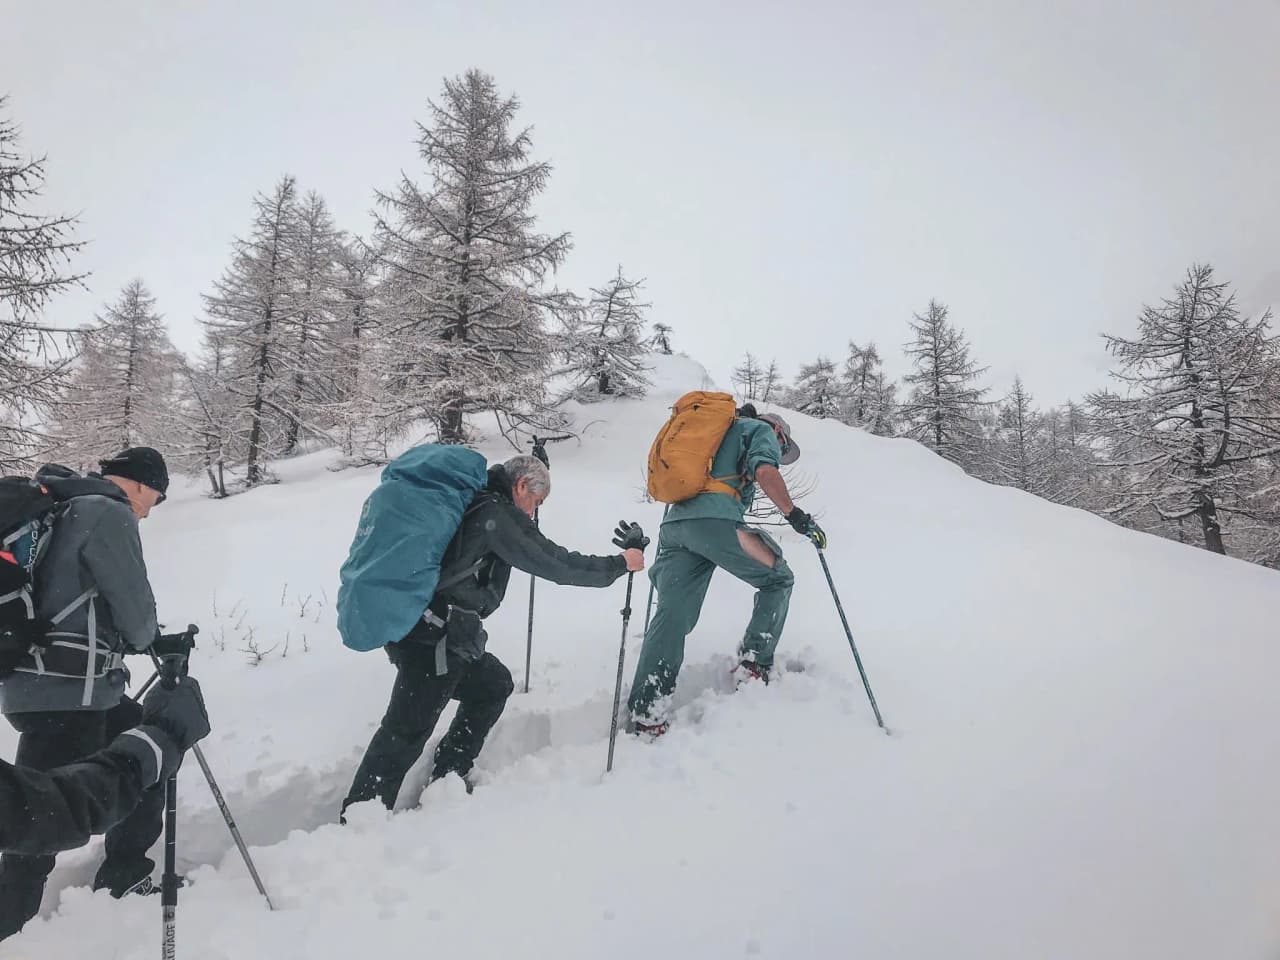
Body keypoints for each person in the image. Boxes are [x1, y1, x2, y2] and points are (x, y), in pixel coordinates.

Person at [342, 455, 646, 815]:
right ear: (520, 486)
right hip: (434, 639)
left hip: (429, 628)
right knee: (404, 732)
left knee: (493, 685)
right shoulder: (495, 515)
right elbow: (556, 563)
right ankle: (360, 818)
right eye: (536, 502)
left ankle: (449, 775)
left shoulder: (476, 500)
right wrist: (620, 564)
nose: (533, 513)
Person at [0, 447, 179, 940]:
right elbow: (134, 604)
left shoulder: (62, 506)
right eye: (155, 498)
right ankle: (9, 927)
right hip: (68, 688)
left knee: (146, 746)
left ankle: (126, 870)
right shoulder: (107, 511)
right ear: (140, 483)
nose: (149, 510)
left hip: (46, 681)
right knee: (33, 819)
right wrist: (147, 637)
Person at [627, 411, 825, 735]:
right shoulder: (761, 430)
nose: (780, 446)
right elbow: (765, 470)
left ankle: (647, 712)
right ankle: (754, 664)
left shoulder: (715, 434)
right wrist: (795, 515)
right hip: (715, 524)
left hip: (676, 527)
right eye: (782, 443)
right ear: (778, 429)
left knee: (671, 615)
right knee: (779, 579)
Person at [0, 676, 210, 858]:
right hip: (85, 694)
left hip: (29, 699)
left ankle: (17, 892)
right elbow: (136, 632)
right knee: (35, 810)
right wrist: (146, 752)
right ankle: (125, 869)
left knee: (31, 809)